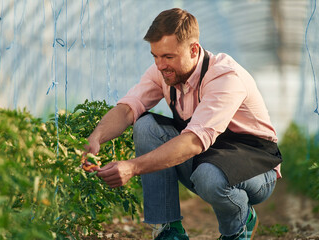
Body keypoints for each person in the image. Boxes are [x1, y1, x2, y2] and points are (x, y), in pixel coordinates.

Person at [83, 8, 282, 240]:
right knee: (146, 126)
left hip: (254, 167)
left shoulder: (225, 77)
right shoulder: (164, 73)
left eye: (168, 57)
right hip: (208, 158)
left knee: (209, 175)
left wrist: (132, 167)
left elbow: (193, 142)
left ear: (193, 49)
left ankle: (238, 225)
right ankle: (168, 230)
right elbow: (128, 109)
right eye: (155, 56)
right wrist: (96, 137)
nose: (160, 65)